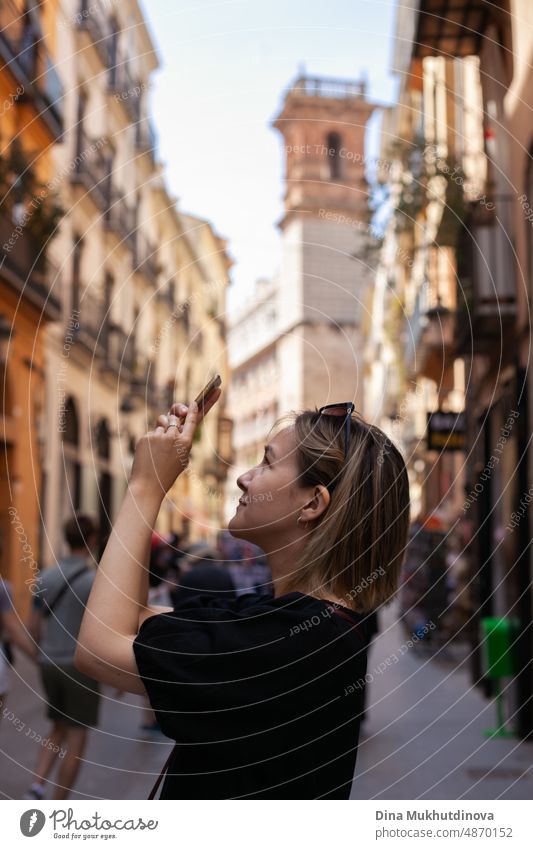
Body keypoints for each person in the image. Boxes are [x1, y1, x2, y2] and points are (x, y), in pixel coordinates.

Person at [75, 392, 410, 799]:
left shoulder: (294, 644)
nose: (244, 477)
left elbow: (98, 646)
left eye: (267, 462)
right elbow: (129, 618)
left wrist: (145, 487)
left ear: (311, 503)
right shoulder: (295, 624)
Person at [25, 514, 101, 800]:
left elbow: (32, 625)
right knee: (77, 737)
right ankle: (58, 806)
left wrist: (40, 654)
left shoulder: (45, 575)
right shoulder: (95, 582)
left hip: (49, 663)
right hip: (79, 667)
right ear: (92, 541)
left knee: (57, 726)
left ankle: (36, 787)